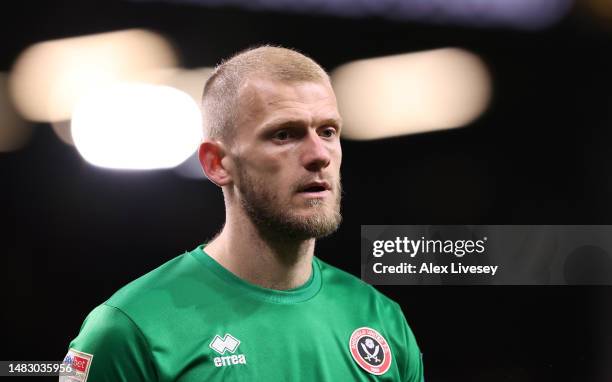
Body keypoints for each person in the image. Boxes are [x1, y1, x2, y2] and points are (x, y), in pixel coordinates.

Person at [61, 46, 424, 381]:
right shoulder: (129, 331)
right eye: (284, 134)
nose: (319, 154)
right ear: (217, 163)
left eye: (328, 131)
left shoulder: (382, 321)